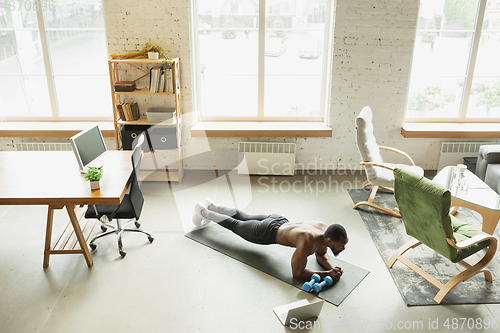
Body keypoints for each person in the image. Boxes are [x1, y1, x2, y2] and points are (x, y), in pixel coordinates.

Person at [192, 199, 348, 283]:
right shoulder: (307, 242)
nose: (343, 248)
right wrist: (326, 274)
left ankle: (212, 205)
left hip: (279, 220)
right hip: (266, 232)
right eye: (342, 246)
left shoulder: (324, 229)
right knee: (236, 224)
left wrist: (333, 269)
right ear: (330, 240)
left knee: (244, 217)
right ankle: (203, 211)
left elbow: (321, 255)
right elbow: (297, 273)